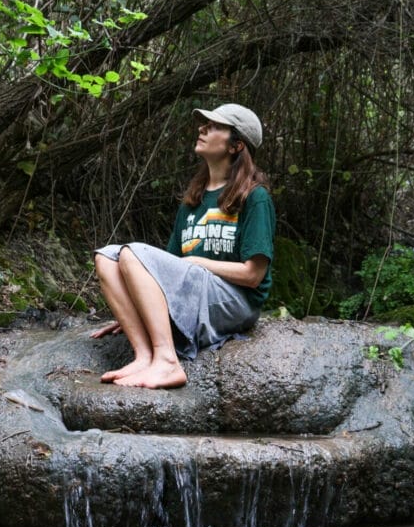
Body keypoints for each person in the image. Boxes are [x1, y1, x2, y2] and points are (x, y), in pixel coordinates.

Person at [91, 103, 276, 389]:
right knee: (107, 257)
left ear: (236, 145)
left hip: (235, 302)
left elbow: (254, 276)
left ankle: (167, 363)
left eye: (214, 126)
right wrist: (135, 308)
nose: (202, 129)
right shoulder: (193, 200)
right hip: (193, 293)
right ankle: (144, 356)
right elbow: (164, 271)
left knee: (131, 253)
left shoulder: (255, 197)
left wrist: (199, 262)